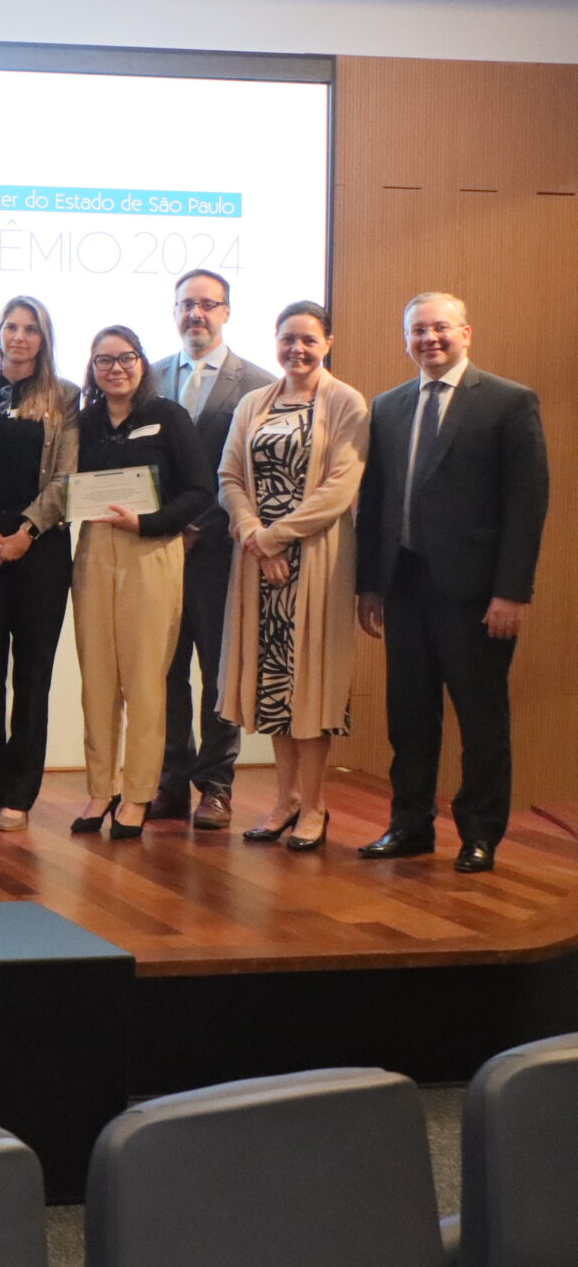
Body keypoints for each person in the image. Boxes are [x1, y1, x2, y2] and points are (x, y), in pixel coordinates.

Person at [355, 292, 549, 873]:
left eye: (440, 328)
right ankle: (410, 825)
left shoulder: (510, 402)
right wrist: (369, 584)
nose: (429, 339)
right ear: (406, 339)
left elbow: (528, 504)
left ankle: (480, 833)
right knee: (409, 717)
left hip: (477, 594)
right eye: (418, 331)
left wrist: (512, 591)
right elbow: (376, 503)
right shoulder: (387, 406)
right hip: (404, 586)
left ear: (466, 332)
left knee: (481, 720)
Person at [218, 303, 368, 854]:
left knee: (312, 685)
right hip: (259, 567)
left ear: (327, 342)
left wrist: (274, 537)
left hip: (316, 562)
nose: (297, 350)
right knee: (275, 687)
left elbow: (340, 487)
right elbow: (229, 475)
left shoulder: (345, 402)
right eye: (287, 340)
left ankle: (316, 804)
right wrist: (254, 534)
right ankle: (283, 802)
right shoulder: (254, 402)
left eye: (308, 340)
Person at [67, 325, 216, 840]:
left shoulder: (167, 417)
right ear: (92, 368)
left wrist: (150, 523)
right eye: (104, 360)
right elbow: (65, 487)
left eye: (126, 357)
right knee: (98, 679)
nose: (116, 368)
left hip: (151, 550)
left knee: (146, 680)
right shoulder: (83, 423)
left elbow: (202, 489)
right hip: (93, 551)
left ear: (142, 363)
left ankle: (137, 796)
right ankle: (100, 789)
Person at [145, 269, 269, 829]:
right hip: (157, 552)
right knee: (165, 673)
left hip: (222, 554)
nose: (196, 314)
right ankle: (169, 782)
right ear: (174, 311)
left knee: (221, 675)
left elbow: (253, 477)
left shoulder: (258, 385)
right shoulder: (146, 378)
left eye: (207, 305)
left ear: (226, 312)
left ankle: (215, 788)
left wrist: (204, 526)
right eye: (186, 304)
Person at [0, 296, 78, 832]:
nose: (20, 336)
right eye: (12, 327)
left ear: (44, 338)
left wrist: (25, 532)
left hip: (41, 551)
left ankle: (19, 794)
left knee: (33, 675)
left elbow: (66, 479)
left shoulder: (67, 397)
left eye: (31, 329)